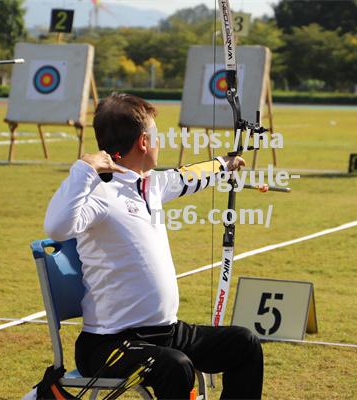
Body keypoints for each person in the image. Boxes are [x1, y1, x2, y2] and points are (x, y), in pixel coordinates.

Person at [44, 93, 263, 399]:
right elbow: (56, 228)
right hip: (110, 344)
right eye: (157, 136)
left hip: (164, 333)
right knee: (176, 366)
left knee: (244, 344)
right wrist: (84, 168)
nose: (161, 143)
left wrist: (223, 164)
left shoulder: (151, 184)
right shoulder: (99, 194)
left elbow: (186, 177)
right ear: (144, 142)